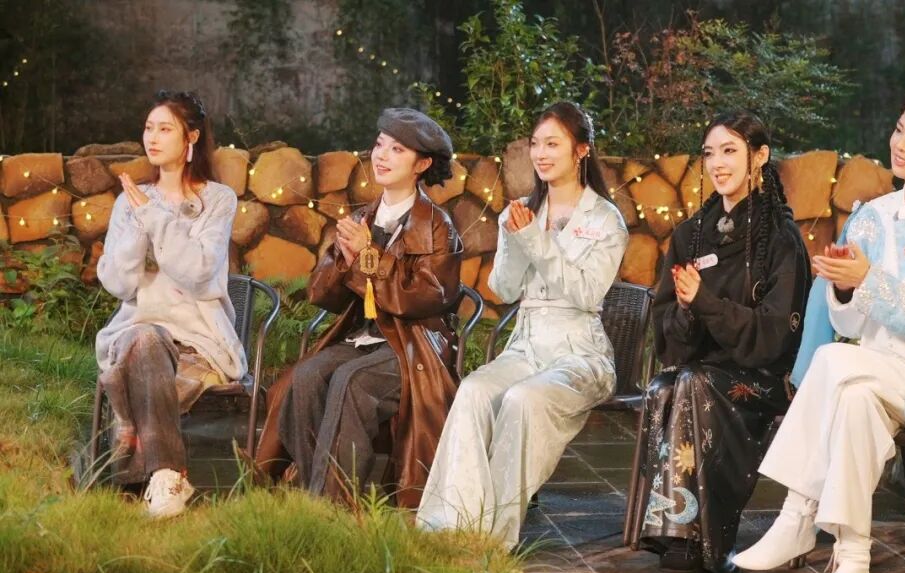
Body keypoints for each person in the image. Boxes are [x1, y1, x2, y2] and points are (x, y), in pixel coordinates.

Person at [733, 89, 905, 573]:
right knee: (854, 397)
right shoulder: (872, 215)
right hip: (875, 372)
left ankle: (796, 517)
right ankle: (853, 558)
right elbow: (851, 321)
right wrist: (843, 288)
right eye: (899, 130)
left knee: (833, 360)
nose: (900, 144)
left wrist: (868, 279)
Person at [416, 101, 629, 546]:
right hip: (526, 349)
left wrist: (533, 238)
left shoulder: (605, 220)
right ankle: (450, 526)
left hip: (581, 356)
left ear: (581, 150)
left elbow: (586, 293)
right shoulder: (523, 212)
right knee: (474, 390)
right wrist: (513, 238)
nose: (541, 153)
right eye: (536, 144)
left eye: (553, 143)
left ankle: (493, 538)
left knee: (522, 399)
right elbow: (504, 288)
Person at [255, 108, 462, 508]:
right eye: (380, 145)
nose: (381, 156)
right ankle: (317, 495)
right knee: (306, 376)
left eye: (397, 149)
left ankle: (332, 505)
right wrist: (345, 262)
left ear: (422, 164)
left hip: (415, 345)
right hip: (363, 339)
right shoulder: (362, 218)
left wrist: (370, 257)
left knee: (353, 381)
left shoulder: (437, 225)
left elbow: (427, 297)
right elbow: (322, 296)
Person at [637, 111, 810, 573]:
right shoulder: (690, 235)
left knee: (695, 383)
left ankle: (696, 538)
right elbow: (668, 340)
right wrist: (687, 309)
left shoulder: (782, 240)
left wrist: (706, 303)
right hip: (700, 374)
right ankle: (674, 528)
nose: (717, 163)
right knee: (665, 386)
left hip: (762, 380)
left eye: (730, 150)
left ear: (760, 156)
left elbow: (776, 337)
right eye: (710, 153)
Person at [96, 90, 243, 518]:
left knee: (142, 356)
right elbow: (119, 284)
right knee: (144, 340)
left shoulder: (218, 199)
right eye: (148, 128)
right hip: (137, 330)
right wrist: (138, 225)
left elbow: (198, 271)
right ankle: (168, 474)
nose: (152, 138)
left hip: (197, 338)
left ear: (191, 137)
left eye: (165, 129)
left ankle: (138, 464)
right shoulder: (130, 200)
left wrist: (155, 217)